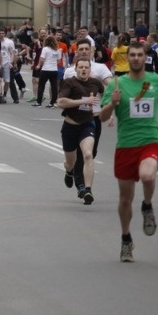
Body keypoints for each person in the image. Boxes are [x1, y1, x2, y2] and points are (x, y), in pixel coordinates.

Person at [100, 40, 158, 263]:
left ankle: (147, 205)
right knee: (125, 199)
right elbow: (103, 117)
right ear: (127, 58)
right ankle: (126, 240)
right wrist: (111, 104)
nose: (136, 58)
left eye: (139, 55)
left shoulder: (157, 80)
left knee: (147, 175)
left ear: (145, 57)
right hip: (125, 144)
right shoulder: (117, 84)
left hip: (150, 140)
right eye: (132, 55)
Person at [57, 57, 105, 205]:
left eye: (86, 67)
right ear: (75, 68)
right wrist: (84, 101)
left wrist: (104, 110)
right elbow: (60, 102)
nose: (83, 69)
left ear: (90, 69)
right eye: (81, 67)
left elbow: (105, 94)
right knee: (70, 162)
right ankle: (69, 171)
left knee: (88, 154)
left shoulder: (95, 83)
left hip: (87, 124)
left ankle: (88, 190)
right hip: (70, 127)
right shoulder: (70, 83)